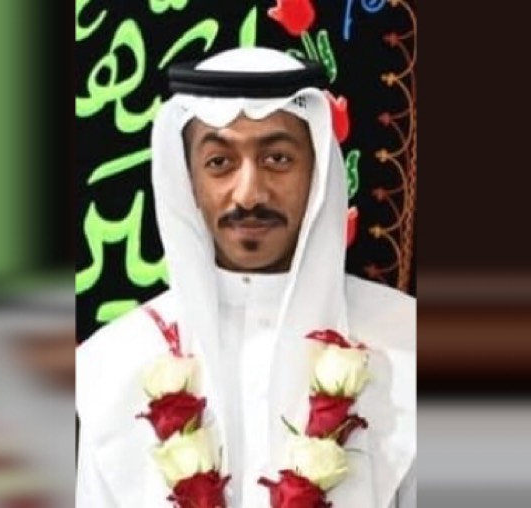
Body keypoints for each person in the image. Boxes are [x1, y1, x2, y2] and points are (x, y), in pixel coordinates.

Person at [76, 47, 415, 507]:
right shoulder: (114, 363)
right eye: (220, 162)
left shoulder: (407, 345)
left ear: (317, 173)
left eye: (277, 158)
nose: (249, 194)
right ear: (188, 182)